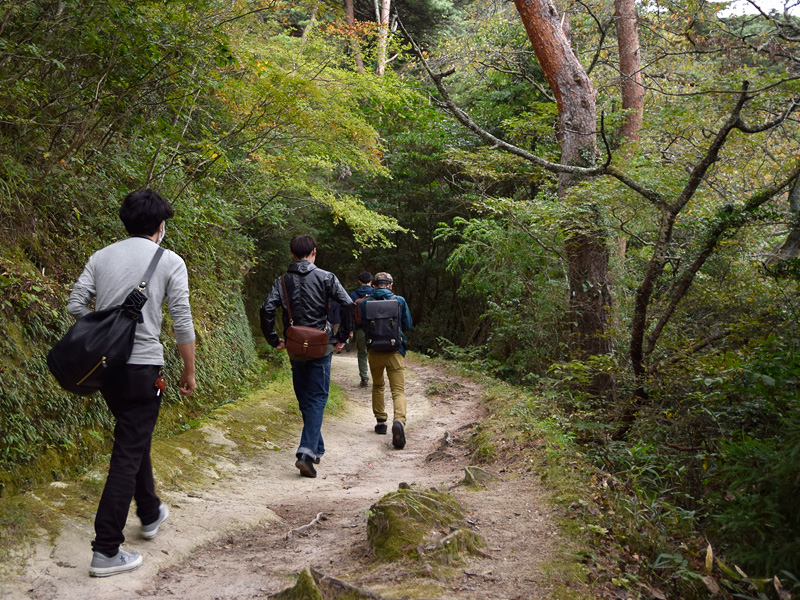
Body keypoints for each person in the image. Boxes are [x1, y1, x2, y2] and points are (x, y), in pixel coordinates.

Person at [66, 189, 196, 577]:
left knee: (131, 437)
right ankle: (106, 549)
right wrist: (188, 371)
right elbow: (182, 322)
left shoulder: (101, 256)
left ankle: (151, 510)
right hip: (144, 369)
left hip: (107, 370)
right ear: (160, 226)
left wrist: (106, 327)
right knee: (128, 451)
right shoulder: (170, 260)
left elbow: (76, 305)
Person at [260, 235, 353, 478]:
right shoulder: (326, 277)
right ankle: (307, 452)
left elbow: (267, 308)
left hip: (294, 345)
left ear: (291, 254)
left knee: (304, 396)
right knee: (318, 396)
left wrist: (273, 339)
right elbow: (348, 303)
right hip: (321, 345)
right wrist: (341, 336)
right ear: (314, 252)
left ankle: (316, 447)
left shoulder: (281, 281)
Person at [360, 272, 412, 449]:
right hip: (395, 351)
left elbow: (363, 325)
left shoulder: (366, 303)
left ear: (374, 285)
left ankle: (381, 422)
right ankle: (399, 421)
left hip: (374, 350)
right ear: (390, 285)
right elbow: (407, 325)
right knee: (398, 390)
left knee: (378, 385)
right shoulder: (400, 301)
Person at [349, 271, 373, 386]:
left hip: (360, 328)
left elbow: (349, 313)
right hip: (375, 328)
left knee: (362, 353)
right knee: (375, 352)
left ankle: (364, 377)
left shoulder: (353, 295)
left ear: (359, 281)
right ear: (371, 281)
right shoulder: (376, 293)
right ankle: (377, 377)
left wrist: (349, 329)